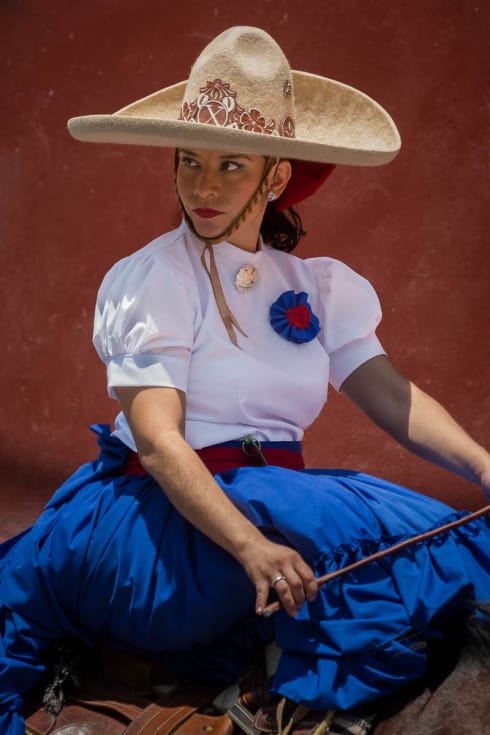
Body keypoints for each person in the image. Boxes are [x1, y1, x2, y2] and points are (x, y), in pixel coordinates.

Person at [1, 25, 489, 735]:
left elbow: (389, 392)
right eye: (189, 160)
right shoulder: (158, 276)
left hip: (272, 504)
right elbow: (161, 443)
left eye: (231, 164)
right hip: (152, 520)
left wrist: (482, 464)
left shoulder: (317, 286)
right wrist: (250, 545)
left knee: (424, 530)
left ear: (276, 175)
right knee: (340, 519)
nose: (203, 185)